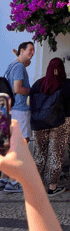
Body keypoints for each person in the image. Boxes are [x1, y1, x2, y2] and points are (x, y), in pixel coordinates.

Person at [29, 58, 70, 196]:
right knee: (56, 154)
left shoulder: (38, 83)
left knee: (39, 154)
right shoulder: (68, 84)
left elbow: (29, 102)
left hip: (40, 123)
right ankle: (52, 188)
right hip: (62, 122)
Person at [2, 41, 35, 193]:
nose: (33, 52)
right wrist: (31, 91)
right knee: (21, 146)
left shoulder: (12, 66)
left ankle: (3, 179)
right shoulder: (19, 67)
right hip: (20, 110)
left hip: (10, 110)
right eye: (30, 50)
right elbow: (17, 89)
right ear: (21, 50)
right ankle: (13, 182)